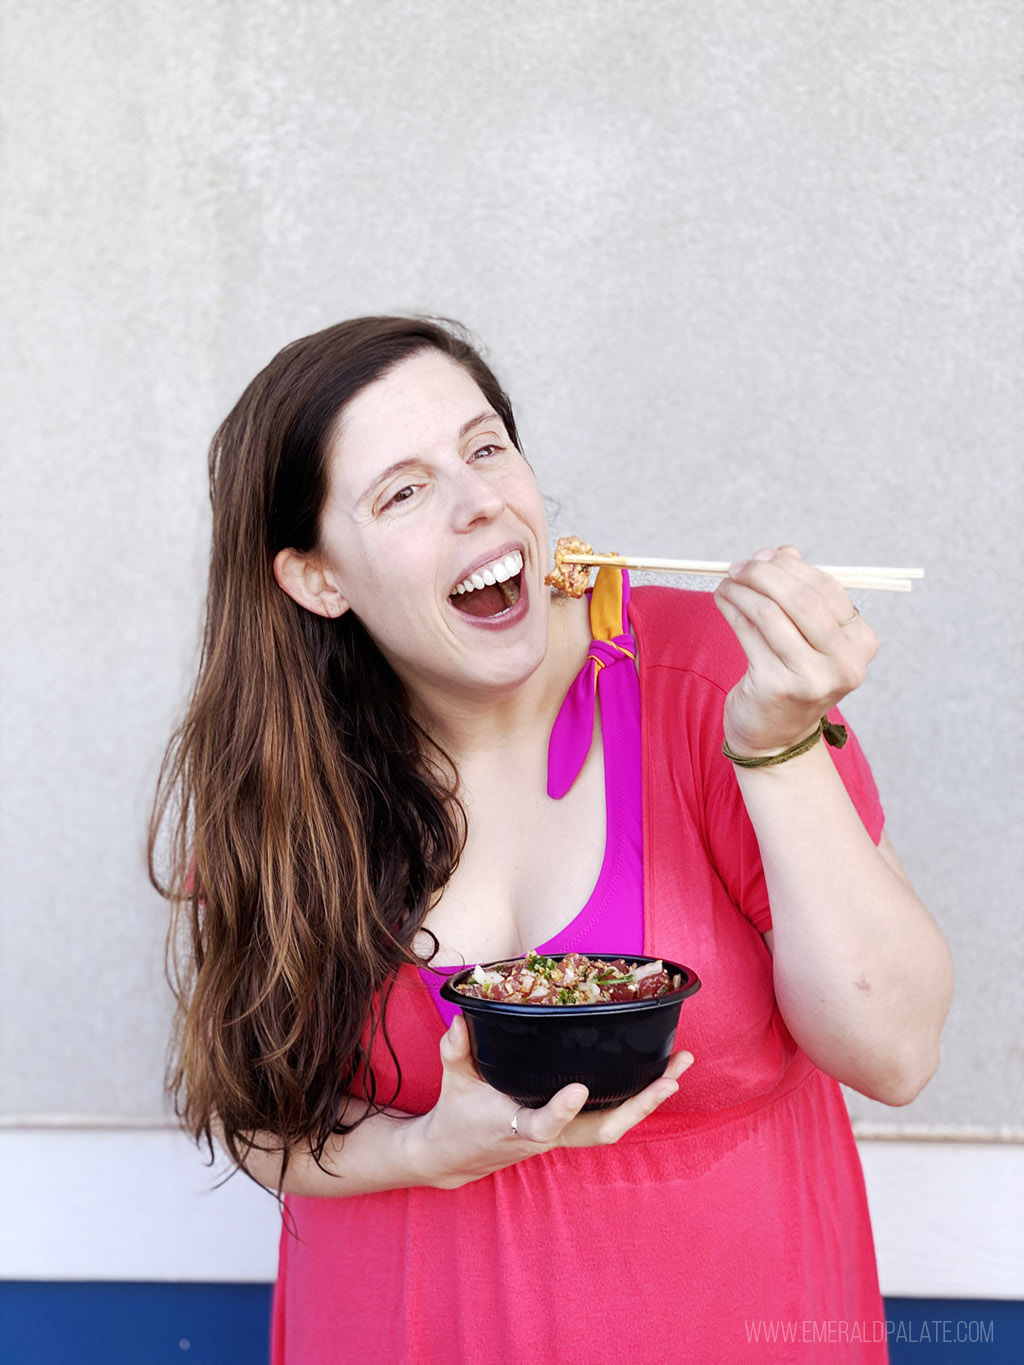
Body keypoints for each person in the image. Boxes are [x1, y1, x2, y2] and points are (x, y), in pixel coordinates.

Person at [150, 316, 953, 1363]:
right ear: (317, 579)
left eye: (485, 448)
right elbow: (257, 1115)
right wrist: (423, 1147)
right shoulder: (285, 777)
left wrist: (778, 748)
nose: (479, 499)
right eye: (403, 491)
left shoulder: (712, 682)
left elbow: (892, 1052)